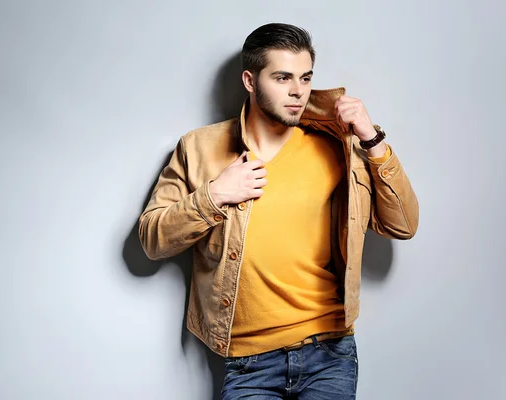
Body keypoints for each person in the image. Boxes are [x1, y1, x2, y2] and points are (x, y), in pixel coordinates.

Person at [138, 22, 419, 400]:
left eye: (305, 78)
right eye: (282, 77)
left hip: (329, 350)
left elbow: (403, 224)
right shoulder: (198, 148)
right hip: (248, 362)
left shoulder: (335, 147)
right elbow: (152, 239)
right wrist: (214, 194)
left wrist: (371, 139)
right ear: (250, 81)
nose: (297, 91)